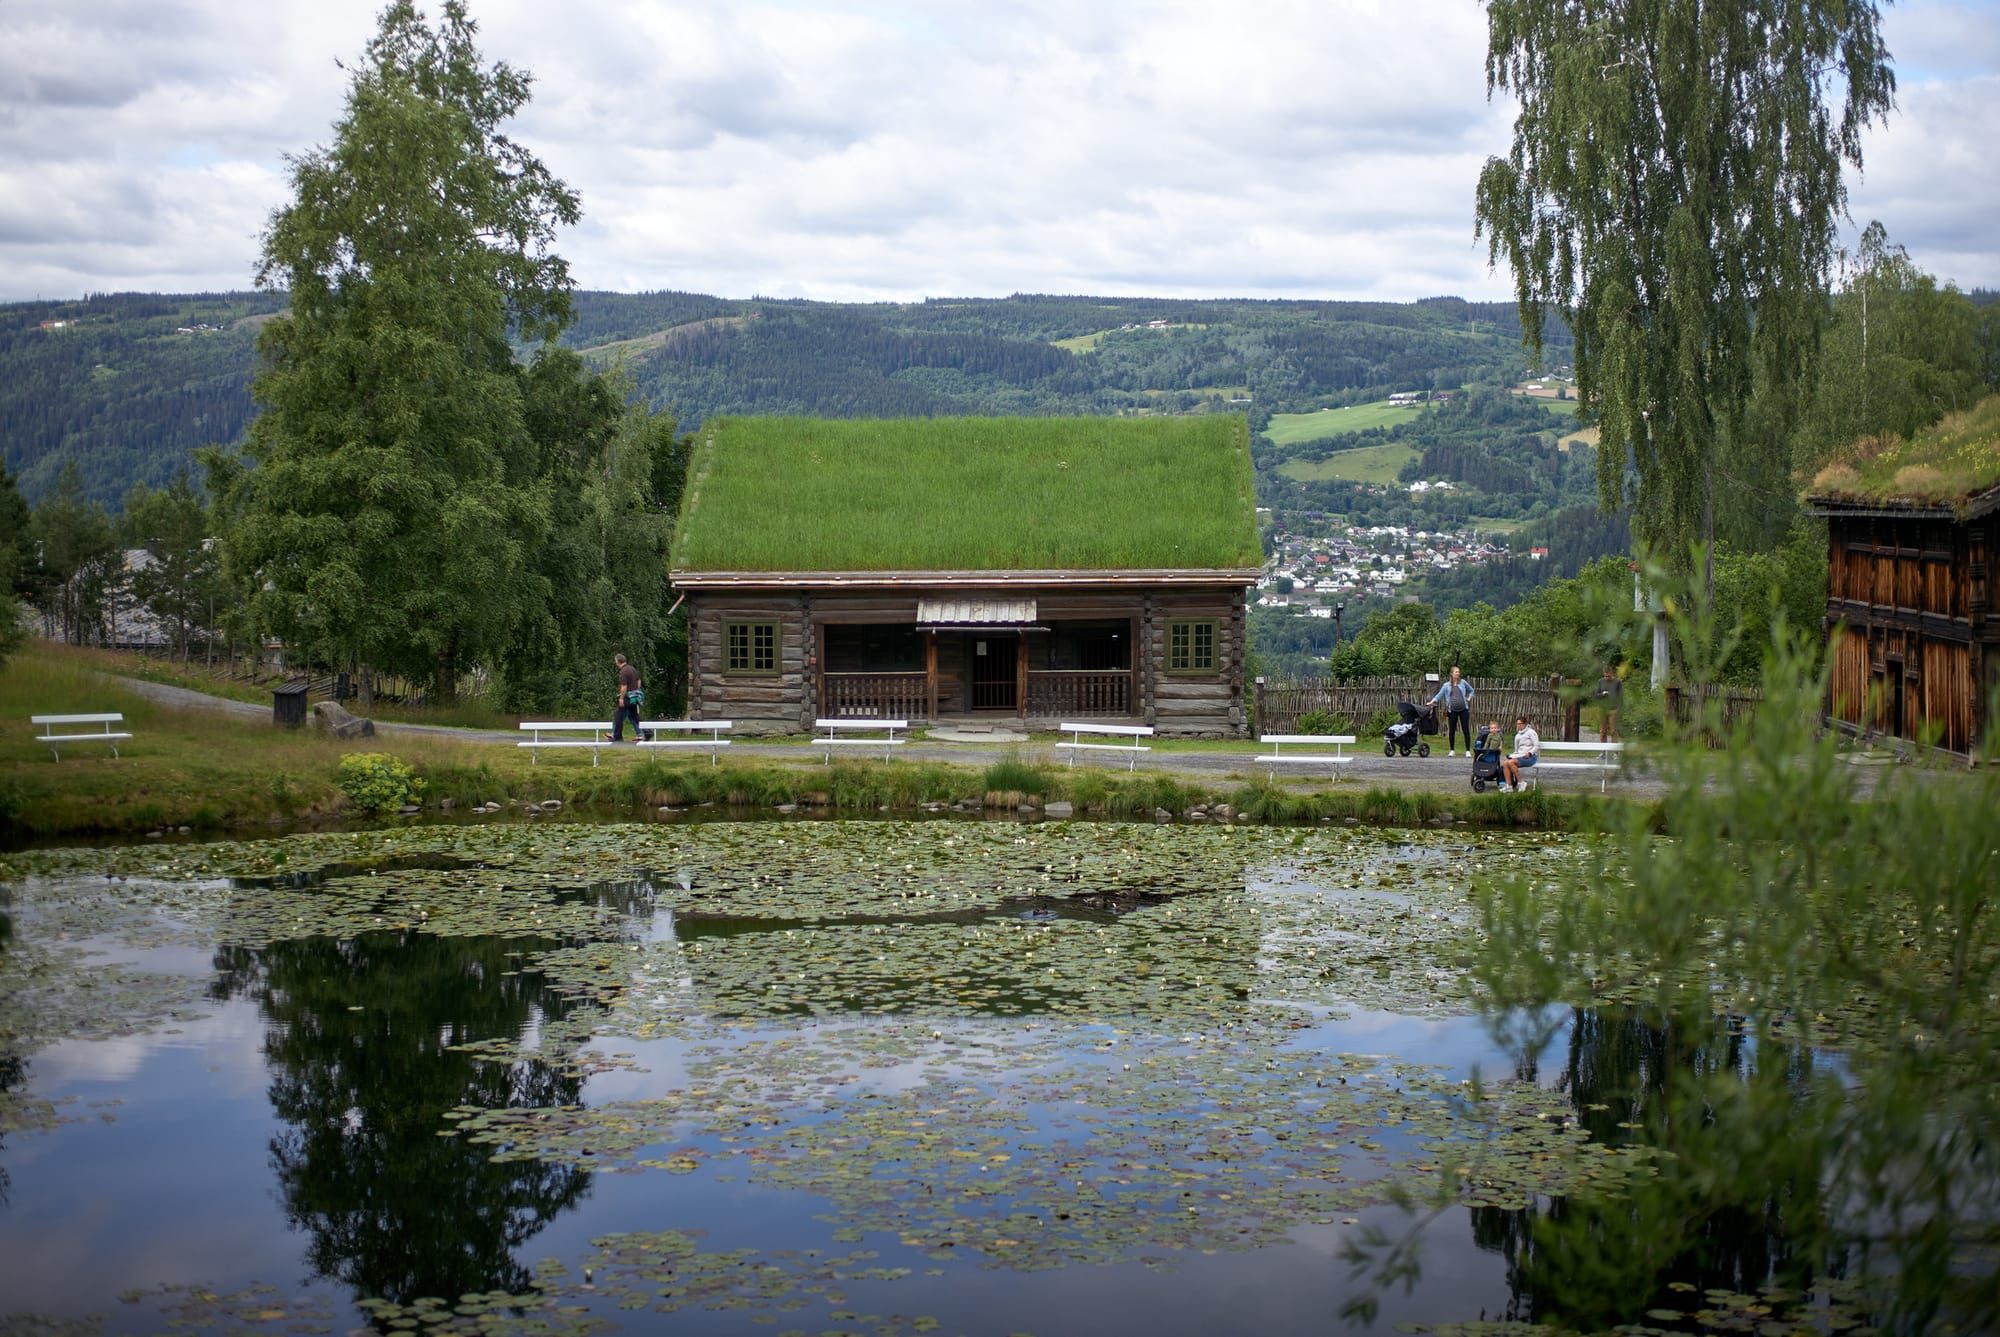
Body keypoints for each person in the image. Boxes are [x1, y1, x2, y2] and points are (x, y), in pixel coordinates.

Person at [1427, 665, 1475, 756]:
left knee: (1465, 729)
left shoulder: (1463, 683)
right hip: (1452, 710)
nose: (1458, 673)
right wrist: (1432, 702)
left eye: (1458, 672)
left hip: (1463, 709)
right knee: (1452, 730)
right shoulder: (1446, 685)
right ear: (1452, 674)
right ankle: (1452, 750)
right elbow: (1439, 695)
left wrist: (1469, 698)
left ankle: (1468, 750)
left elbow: (1472, 690)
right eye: (1456, 672)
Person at [605, 653, 644, 742]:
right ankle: (646, 732)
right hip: (635, 696)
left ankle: (617, 736)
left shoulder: (623, 671)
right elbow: (639, 681)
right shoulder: (632, 669)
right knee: (633, 716)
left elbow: (624, 686)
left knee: (618, 716)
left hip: (627, 697)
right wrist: (636, 691)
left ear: (618, 661)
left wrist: (621, 698)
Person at [1500, 714, 1539, 791]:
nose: (1518, 725)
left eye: (1520, 724)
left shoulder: (1531, 732)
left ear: (1525, 724)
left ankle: (1521, 783)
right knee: (1505, 763)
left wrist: (1530, 753)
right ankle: (1509, 786)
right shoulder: (1517, 736)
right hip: (1520, 756)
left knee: (1511, 763)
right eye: (1517, 724)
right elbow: (1516, 750)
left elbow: (1536, 746)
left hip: (1530, 757)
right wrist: (1512, 755)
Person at [1594, 662, 1621, 743]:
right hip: (1603, 709)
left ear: (1612, 673)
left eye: (1608, 676)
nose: (1606, 678)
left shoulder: (1617, 682)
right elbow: (1596, 695)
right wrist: (1602, 694)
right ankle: (1602, 752)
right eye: (1605, 676)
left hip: (1613, 709)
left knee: (1613, 731)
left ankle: (1614, 753)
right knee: (1603, 731)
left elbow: (1620, 697)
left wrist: (1619, 708)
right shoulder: (1600, 681)